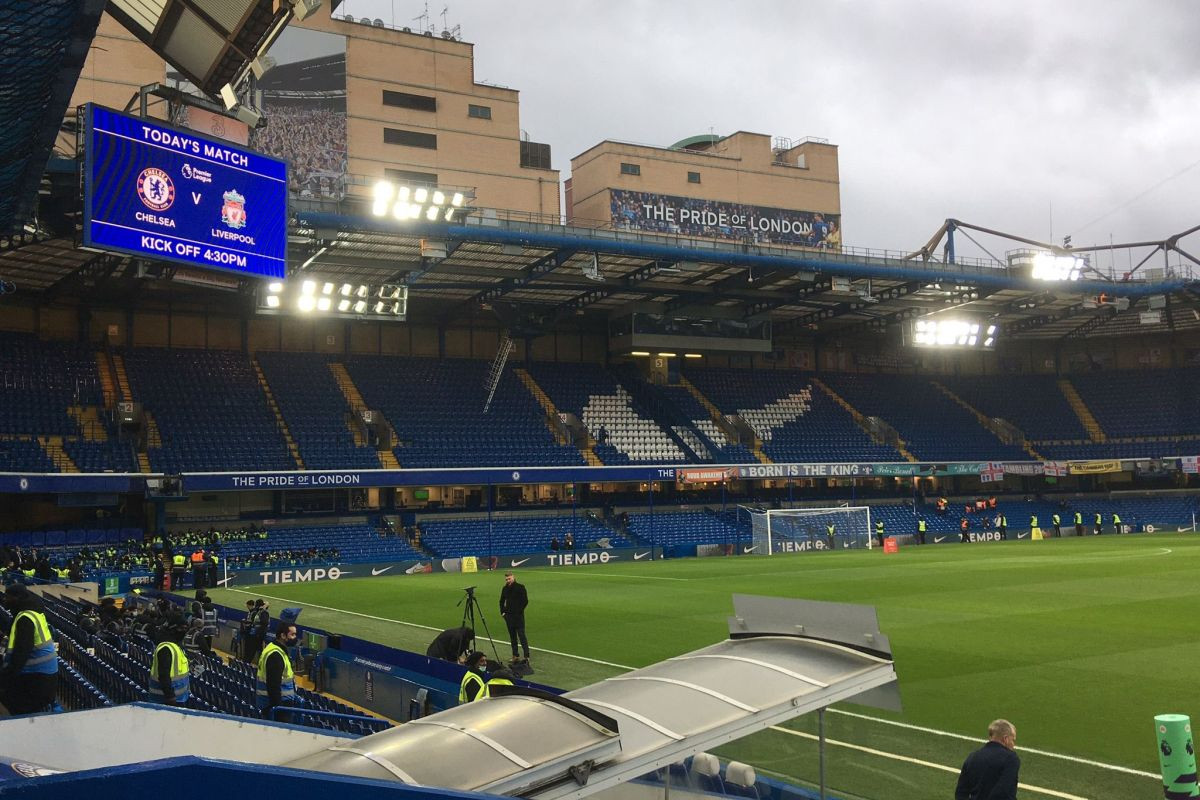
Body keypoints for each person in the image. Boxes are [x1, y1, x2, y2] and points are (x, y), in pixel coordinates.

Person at [0, 584, 58, 715]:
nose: (5, 600)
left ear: (17, 598)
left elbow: (21, 654)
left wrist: (5, 677)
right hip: (41, 676)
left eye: (8, 597)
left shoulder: (25, 618)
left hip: (39, 681)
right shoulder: (28, 612)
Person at [954, 719, 1020, 800]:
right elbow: (1004, 792)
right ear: (1005, 739)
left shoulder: (973, 757)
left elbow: (961, 792)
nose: (1013, 744)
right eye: (1013, 740)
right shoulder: (1010, 758)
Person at [257, 622, 298, 723]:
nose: (295, 637)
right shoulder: (276, 655)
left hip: (276, 704)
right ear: (283, 635)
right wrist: (278, 708)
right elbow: (273, 685)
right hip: (279, 708)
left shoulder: (274, 648)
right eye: (292, 634)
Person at [148, 621, 190, 707]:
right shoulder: (166, 649)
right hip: (166, 700)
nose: (184, 632)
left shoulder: (176, 647)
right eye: (181, 628)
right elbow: (163, 674)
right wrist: (170, 696)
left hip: (179, 698)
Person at [499, 571, 530, 666]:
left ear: (513, 577)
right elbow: (501, 601)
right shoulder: (505, 589)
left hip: (518, 616)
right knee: (512, 637)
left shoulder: (520, 587)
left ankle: (526, 656)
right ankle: (515, 655)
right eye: (507, 579)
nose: (508, 580)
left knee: (522, 636)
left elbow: (525, 601)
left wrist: (519, 611)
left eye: (509, 578)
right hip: (509, 617)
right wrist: (503, 613)